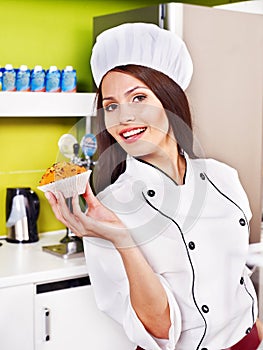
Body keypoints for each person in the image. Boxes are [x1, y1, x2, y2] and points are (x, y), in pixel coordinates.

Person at [45, 23, 263, 350]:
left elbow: (237, 268)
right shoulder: (110, 208)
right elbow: (160, 330)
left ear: (170, 100)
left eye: (139, 97)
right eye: (112, 106)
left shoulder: (223, 177)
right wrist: (123, 239)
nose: (124, 117)